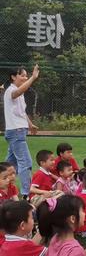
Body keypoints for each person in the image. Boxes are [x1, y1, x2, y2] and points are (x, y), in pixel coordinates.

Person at [3, 65, 40, 197]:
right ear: (13, 77)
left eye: (26, 75)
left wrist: (30, 125)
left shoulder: (19, 93)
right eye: (22, 75)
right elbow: (17, 92)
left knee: (9, 165)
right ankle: (26, 194)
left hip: (19, 131)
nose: (25, 78)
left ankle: (4, 187)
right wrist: (33, 78)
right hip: (16, 132)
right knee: (26, 162)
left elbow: (21, 112)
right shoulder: (11, 90)